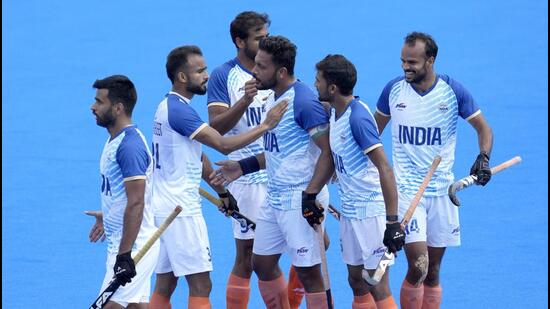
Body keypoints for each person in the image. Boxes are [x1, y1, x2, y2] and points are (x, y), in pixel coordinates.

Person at [148, 45, 287, 309]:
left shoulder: (166, 106)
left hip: (163, 207)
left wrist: (223, 191)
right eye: (199, 71)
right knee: (201, 285)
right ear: (182, 77)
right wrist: (266, 125)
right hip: (182, 211)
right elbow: (223, 145)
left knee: (165, 283)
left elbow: (196, 155)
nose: (207, 76)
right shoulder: (181, 112)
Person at [211, 35, 334, 309]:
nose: (254, 72)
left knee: (310, 274)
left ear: (281, 71)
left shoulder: (302, 102)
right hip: (275, 197)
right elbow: (276, 152)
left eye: (261, 67)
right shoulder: (272, 99)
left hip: (300, 198)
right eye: (255, 64)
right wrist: (241, 167)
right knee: (262, 264)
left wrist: (311, 195)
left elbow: (328, 153)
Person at [374, 32, 493, 309]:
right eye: (403, 61)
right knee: (418, 265)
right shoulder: (393, 90)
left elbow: (484, 128)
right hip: (405, 190)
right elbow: (372, 134)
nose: (406, 67)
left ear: (431, 60)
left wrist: (483, 158)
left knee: (434, 271)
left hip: (442, 193)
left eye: (412, 62)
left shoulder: (452, 92)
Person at [314, 54, 406, 309]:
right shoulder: (335, 111)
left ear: (332, 88)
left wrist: (392, 222)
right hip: (351, 212)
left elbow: (385, 169)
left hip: (371, 215)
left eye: (318, 81)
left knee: (376, 282)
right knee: (356, 280)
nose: (315, 85)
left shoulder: (358, 118)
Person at [206, 11, 272, 308]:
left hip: (280, 172)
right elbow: (215, 129)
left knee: (312, 246)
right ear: (239, 41)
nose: (266, 42)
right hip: (244, 178)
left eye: (267, 36)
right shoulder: (224, 76)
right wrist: (244, 101)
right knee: (248, 258)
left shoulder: (274, 71)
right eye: (260, 39)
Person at [87, 75, 160, 309]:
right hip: (124, 243)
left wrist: (125, 256)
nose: (93, 106)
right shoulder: (114, 140)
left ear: (118, 108)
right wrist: (107, 216)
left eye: (99, 102)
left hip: (134, 248)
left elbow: (137, 202)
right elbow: (124, 195)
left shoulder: (129, 147)